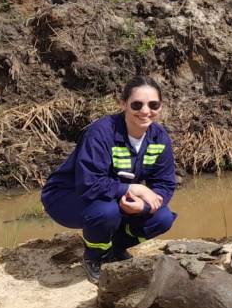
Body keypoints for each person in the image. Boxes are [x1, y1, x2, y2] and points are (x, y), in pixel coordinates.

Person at [41, 75, 177, 283]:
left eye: (153, 104)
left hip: (109, 196)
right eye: (137, 104)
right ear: (123, 104)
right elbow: (90, 184)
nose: (145, 111)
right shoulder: (102, 132)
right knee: (107, 212)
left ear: (161, 106)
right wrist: (133, 189)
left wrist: (144, 206)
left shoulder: (159, 137)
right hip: (67, 196)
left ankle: (115, 248)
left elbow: (165, 183)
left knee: (162, 218)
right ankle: (95, 256)